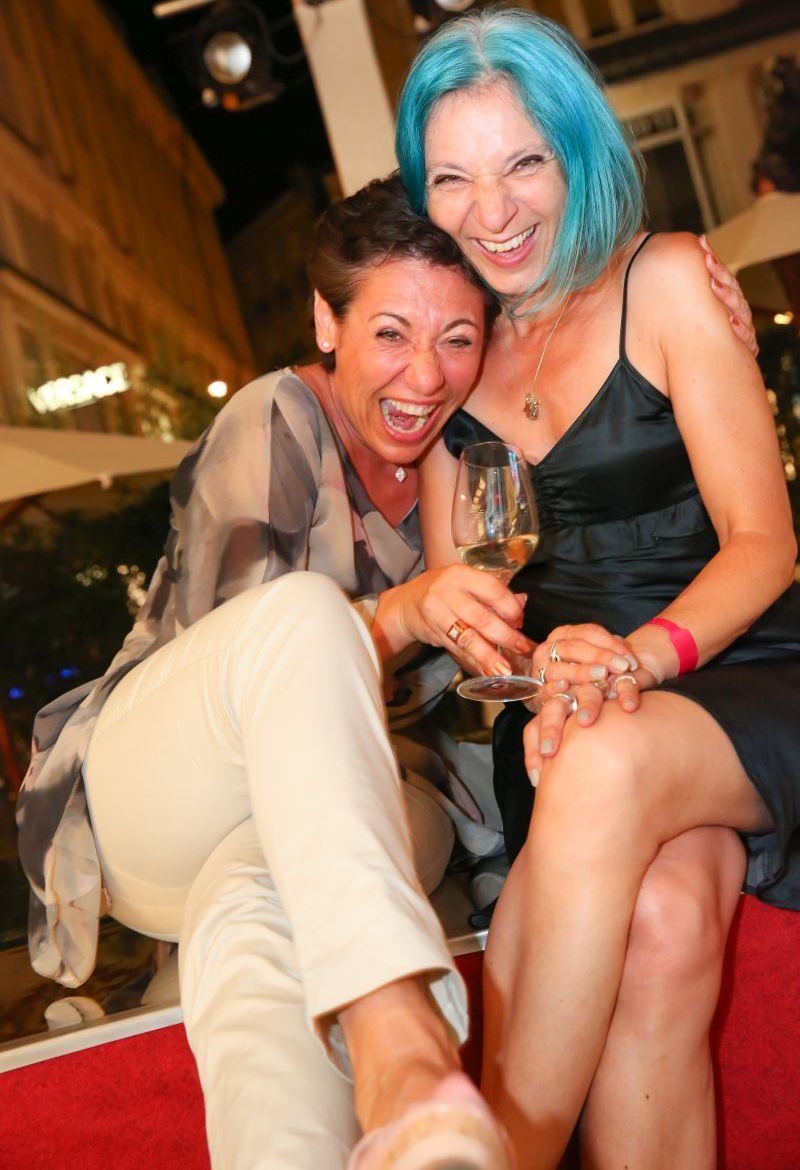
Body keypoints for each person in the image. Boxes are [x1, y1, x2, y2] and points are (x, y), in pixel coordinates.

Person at [16, 178, 524, 1170]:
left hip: (340, 815)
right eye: (388, 333)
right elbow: (261, 685)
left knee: (250, 920)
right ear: (325, 320)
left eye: (457, 338)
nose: (424, 374)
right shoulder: (273, 423)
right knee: (295, 618)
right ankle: (402, 1051)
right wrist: (404, 610)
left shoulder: (470, 464)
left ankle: (412, 1141)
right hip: (152, 794)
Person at [395, 8, 800, 1170]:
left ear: (577, 150)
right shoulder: (454, 361)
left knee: (603, 754)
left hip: (738, 672)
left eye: (524, 161)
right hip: (564, 715)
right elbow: (472, 618)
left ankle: (490, 1158)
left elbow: (764, 543)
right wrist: (540, 674)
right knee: (664, 927)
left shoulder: (664, 281)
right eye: (454, 178)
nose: (494, 210)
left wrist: (630, 660)